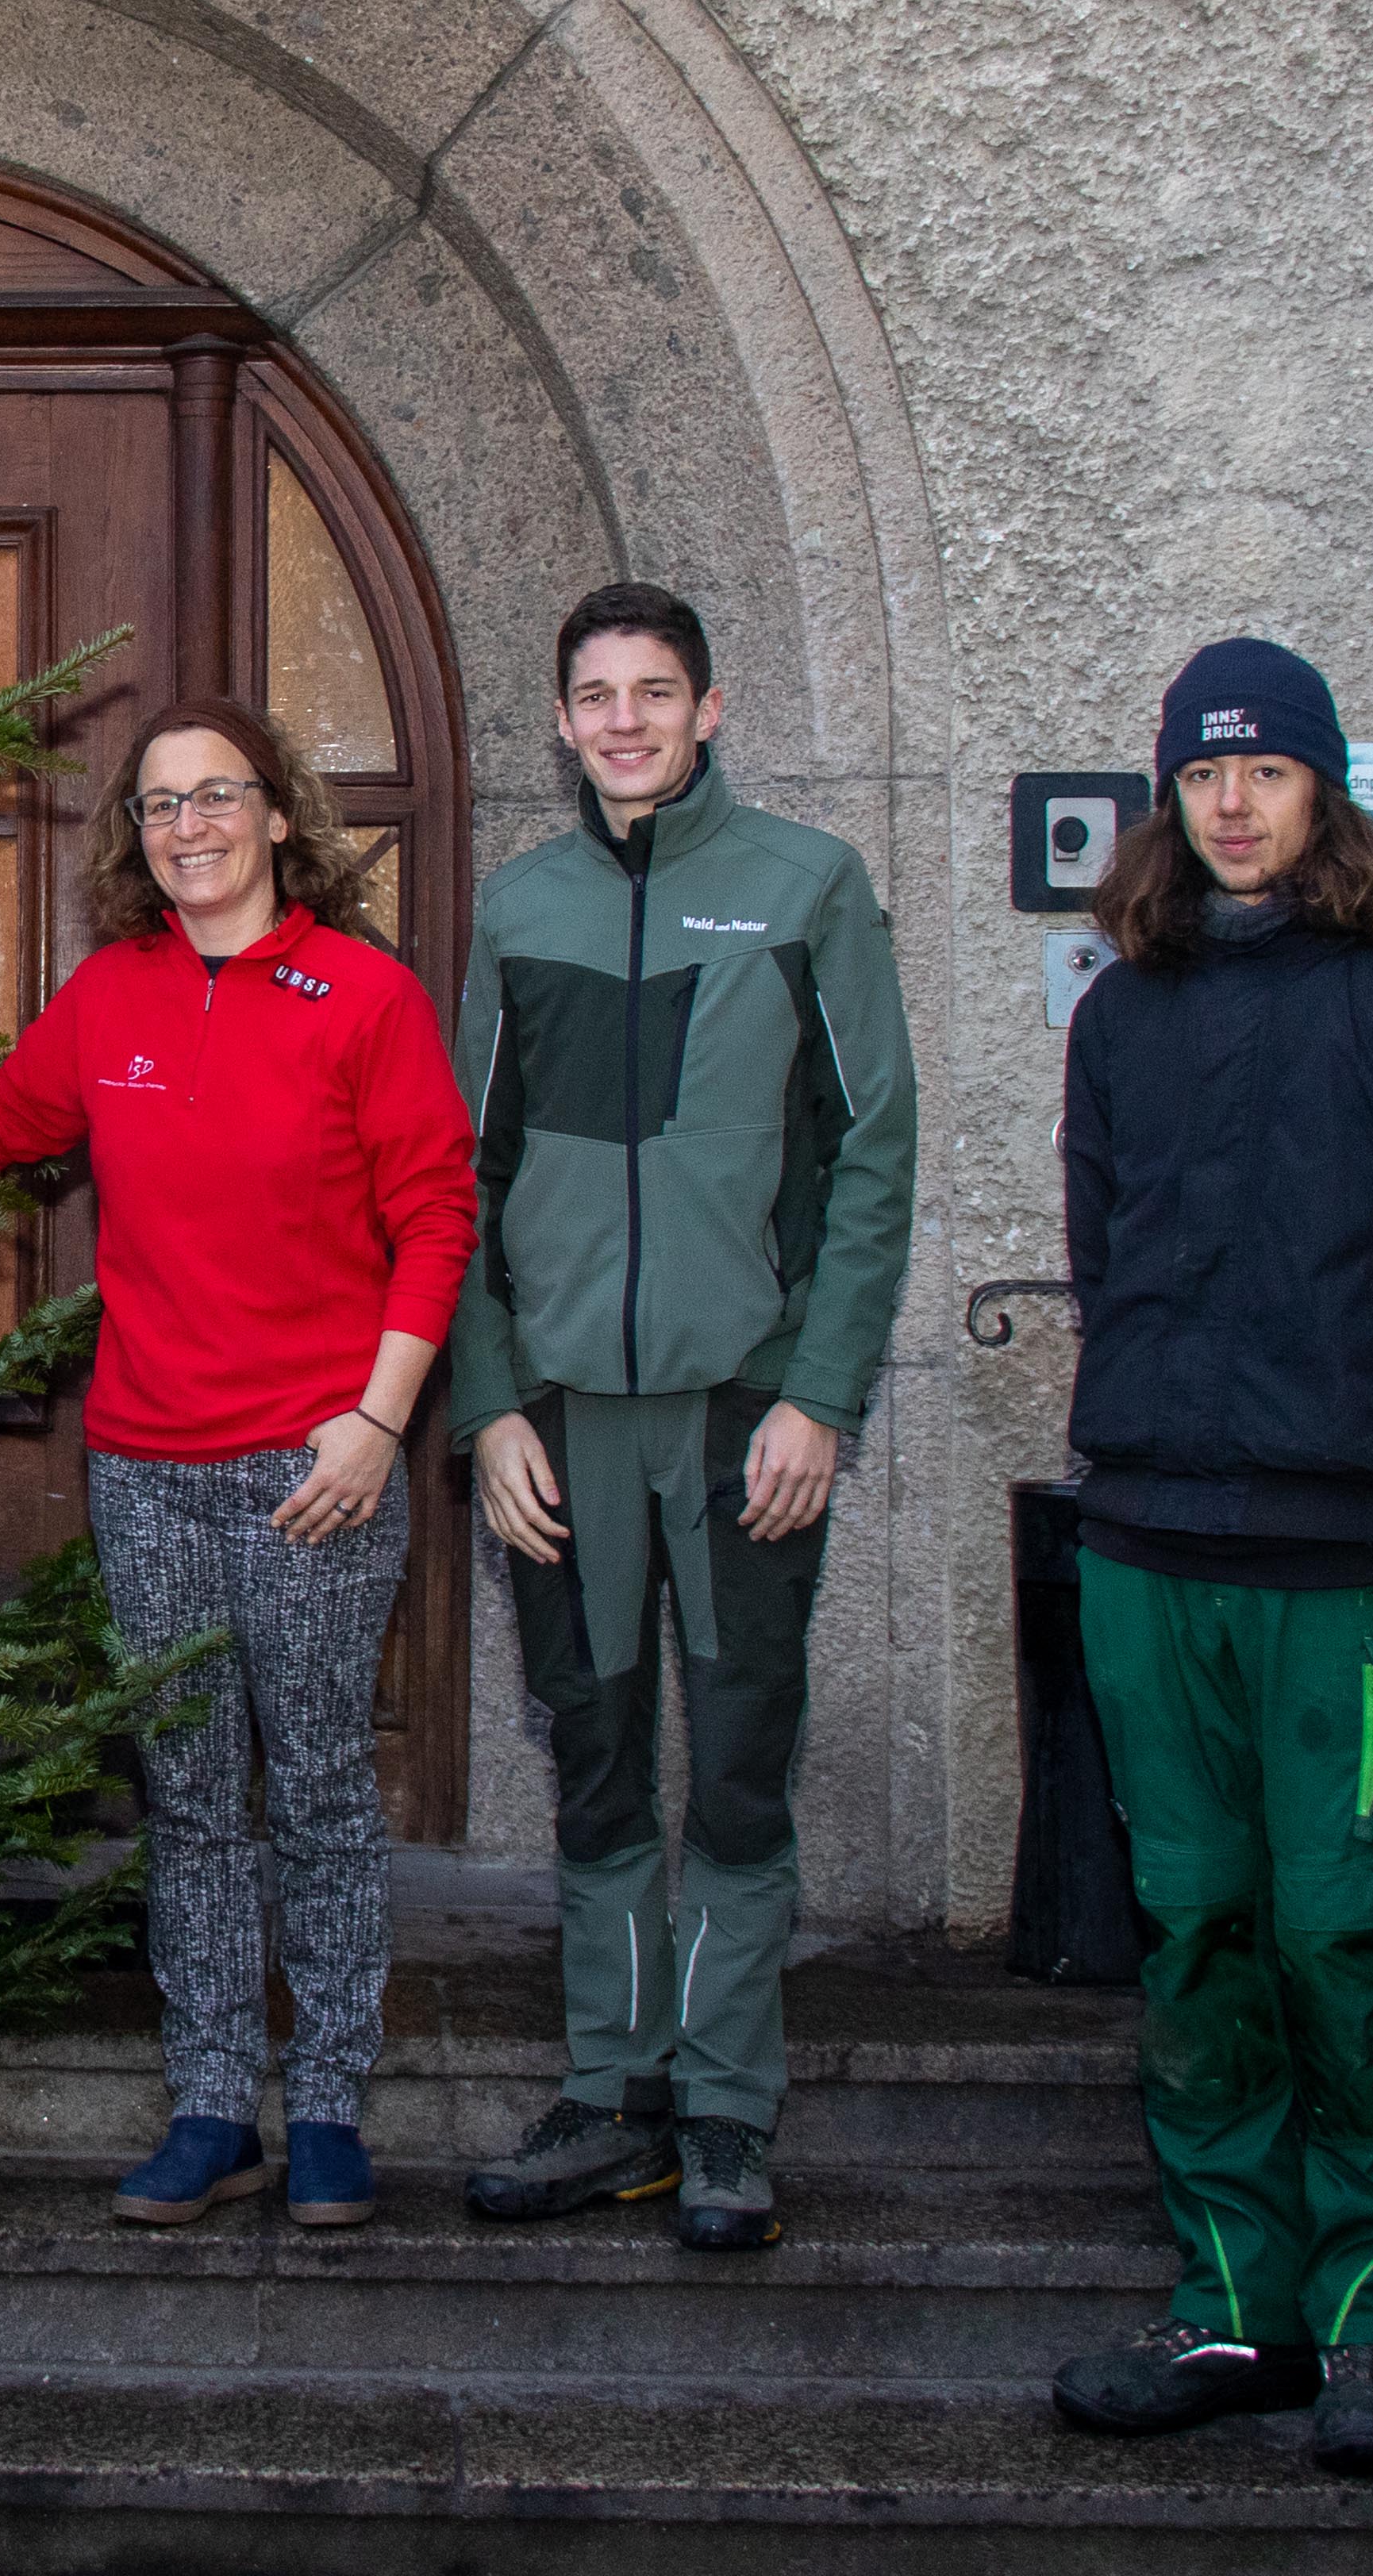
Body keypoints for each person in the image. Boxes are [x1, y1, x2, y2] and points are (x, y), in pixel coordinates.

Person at [1044, 639, 1373, 2480]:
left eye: (1269, 770)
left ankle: (1366, 2322)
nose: (1237, 801)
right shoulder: (1125, 1014)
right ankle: (1233, 2305)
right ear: (1172, 801)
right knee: (1196, 1930)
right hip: (1154, 1547)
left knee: (1342, 1932)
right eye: (1206, 773)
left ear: (1322, 792)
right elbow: (1109, 1256)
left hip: (1352, 1565)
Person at [0, 696, 475, 2232]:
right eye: (159, 806)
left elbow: (438, 1218)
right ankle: (213, 2104)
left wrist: (379, 1420)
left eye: (218, 797)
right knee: (193, 1794)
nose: (188, 826)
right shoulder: (114, 995)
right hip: (147, 1461)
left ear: (278, 818)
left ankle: (328, 2103)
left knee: (323, 1783)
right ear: (136, 840)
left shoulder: (363, 994)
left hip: (318, 1463)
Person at [447, 580, 916, 2250]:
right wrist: (488, 1405)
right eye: (597, 693)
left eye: (657, 688)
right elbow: (463, 1179)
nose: (626, 717)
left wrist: (822, 1393)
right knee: (591, 1765)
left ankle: (723, 2110)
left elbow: (873, 1156)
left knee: (730, 1775)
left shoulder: (806, 887)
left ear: (710, 708)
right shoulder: (520, 909)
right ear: (563, 721)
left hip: (742, 1423)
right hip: (564, 1420)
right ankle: (609, 2089)